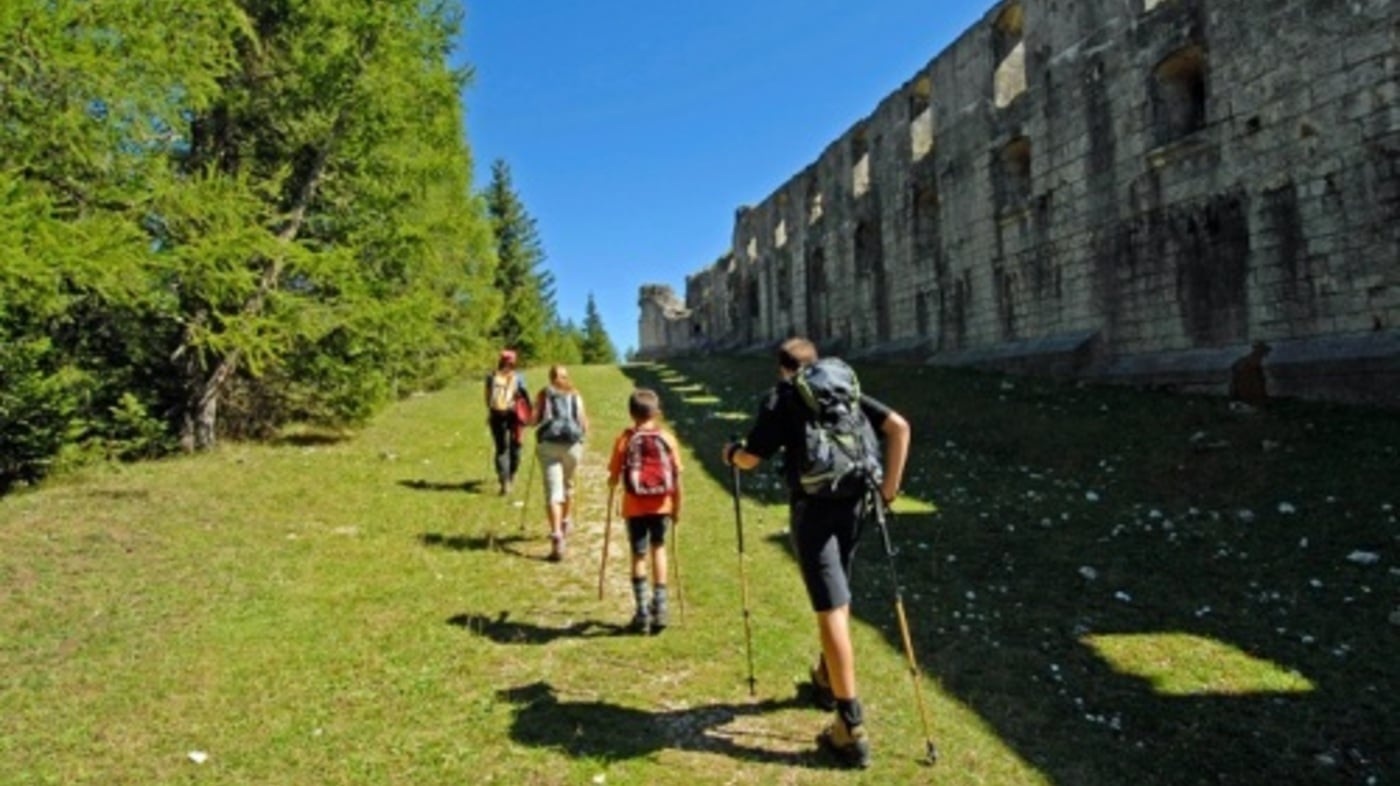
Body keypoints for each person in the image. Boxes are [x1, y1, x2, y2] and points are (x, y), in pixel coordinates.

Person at [722, 337, 910, 769]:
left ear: (782, 368)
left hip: (815, 514)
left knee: (832, 608)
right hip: (856, 506)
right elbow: (899, 427)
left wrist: (730, 453)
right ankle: (826, 678)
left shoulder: (784, 397)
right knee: (839, 591)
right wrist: (889, 492)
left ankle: (850, 725)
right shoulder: (845, 389)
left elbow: (751, 459)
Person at [606, 388, 684, 634]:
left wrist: (612, 487)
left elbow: (614, 475)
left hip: (634, 506)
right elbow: (677, 479)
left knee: (638, 555)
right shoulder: (668, 439)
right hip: (663, 504)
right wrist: (677, 508)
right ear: (657, 413)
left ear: (631, 413)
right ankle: (660, 608)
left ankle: (641, 613)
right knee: (658, 549)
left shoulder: (625, 439)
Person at [530, 365, 589, 561]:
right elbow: (583, 423)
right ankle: (565, 521)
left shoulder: (543, 394)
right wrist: (581, 440)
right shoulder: (575, 395)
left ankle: (556, 535)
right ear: (566, 376)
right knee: (568, 484)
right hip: (572, 445)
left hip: (548, 444)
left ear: (550, 377)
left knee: (553, 491)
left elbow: (532, 419)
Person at [485, 350, 529, 495]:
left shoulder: (491, 376)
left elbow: (487, 398)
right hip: (514, 415)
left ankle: (504, 482)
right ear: (514, 361)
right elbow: (524, 397)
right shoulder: (519, 376)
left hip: (497, 414)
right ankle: (512, 474)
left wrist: (491, 412)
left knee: (501, 448)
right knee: (515, 445)